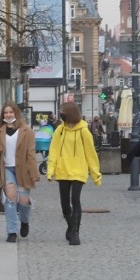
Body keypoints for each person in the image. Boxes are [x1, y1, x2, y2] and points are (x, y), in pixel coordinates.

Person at [47, 102, 101, 245]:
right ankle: (71, 226)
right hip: (63, 171)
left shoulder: (84, 131)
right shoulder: (60, 130)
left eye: (63, 111)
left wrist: (96, 174)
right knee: (64, 204)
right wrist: (50, 170)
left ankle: (75, 233)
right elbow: (54, 150)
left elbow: (91, 153)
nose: (61, 113)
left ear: (70, 112)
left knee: (75, 199)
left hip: (78, 171)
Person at [0, 102, 39, 243]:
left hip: (23, 169)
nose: (8, 115)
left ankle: (24, 221)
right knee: (11, 199)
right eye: (6, 113)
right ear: (2, 115)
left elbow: (31, 153)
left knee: (24, 200)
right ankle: (12, 231)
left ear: (16, 113)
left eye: (11, 112)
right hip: (6, 168)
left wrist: (34, 173)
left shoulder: (27, 131)